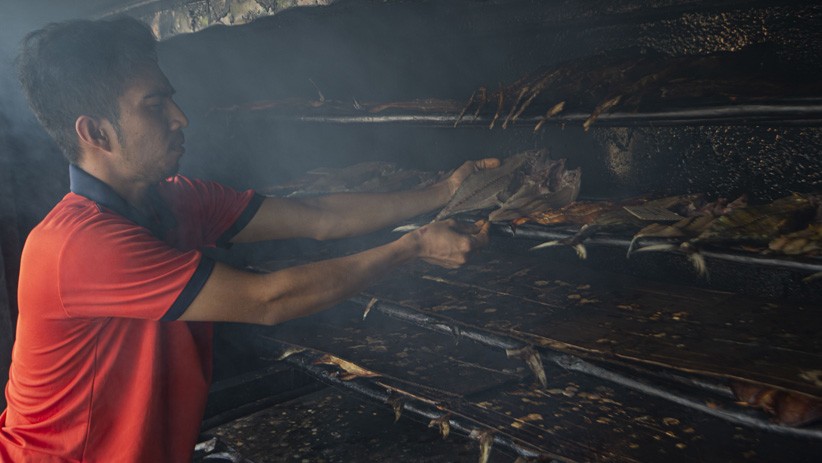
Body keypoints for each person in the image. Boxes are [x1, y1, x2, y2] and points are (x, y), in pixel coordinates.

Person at [0, 17, 497, 462]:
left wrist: (445, 190)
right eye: (155, 105)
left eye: (170, 97)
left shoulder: (176, 200)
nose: (180, 117)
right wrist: (412, 247)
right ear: (96, 133)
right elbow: (268, 300)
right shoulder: (78, 246)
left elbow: (317, 215)